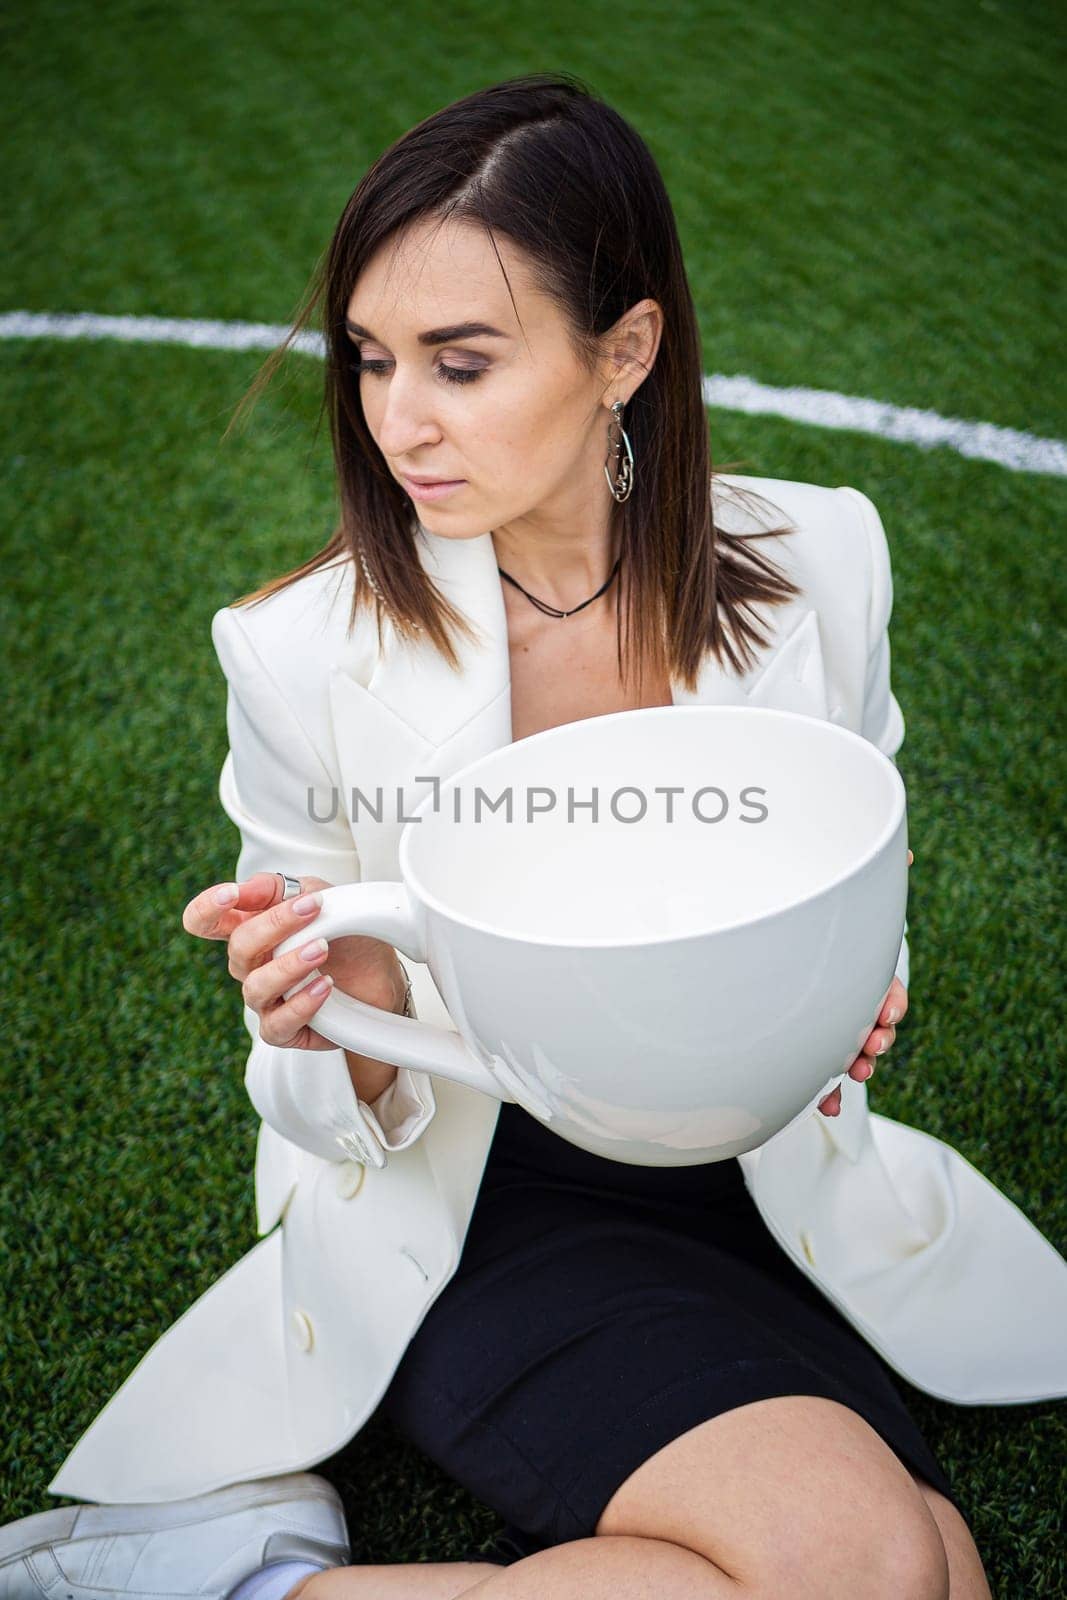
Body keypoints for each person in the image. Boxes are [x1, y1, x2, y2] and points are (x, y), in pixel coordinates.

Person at [19, 66, 1067, 1599]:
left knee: (932, 1572)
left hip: (758, 1170)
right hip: (487, 1200)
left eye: (460, 363)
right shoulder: (301, 652)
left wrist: (860, 982)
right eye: (374, 361)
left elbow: (860, 855)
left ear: (625, 349)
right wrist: (335, 1023)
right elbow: (333, 1119)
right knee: (869, 1566)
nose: (396, 422)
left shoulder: (822, 555)